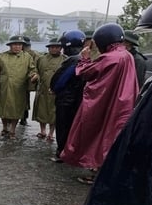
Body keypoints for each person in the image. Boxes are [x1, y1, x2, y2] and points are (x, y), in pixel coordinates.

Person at [74, 0, 152, 205]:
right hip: (124, 110)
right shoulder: (127, 57)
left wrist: (102, 200)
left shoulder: (110, 58)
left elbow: (138, 148)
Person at [59, 23, 139, 184]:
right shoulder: (126, 55)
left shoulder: (110, 58)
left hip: (109, 103)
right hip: (123, 104)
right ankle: (105, 173)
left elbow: (86, 73)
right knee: (112, 137)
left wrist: (85, 59)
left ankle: (98, 172)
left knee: (100, 136)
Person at [0, 35, 38, 140]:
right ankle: (4, 128)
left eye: (20, 45)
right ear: (10, 45)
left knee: (17, 109)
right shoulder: (1, 57)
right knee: (3, 109)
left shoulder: (27, 57)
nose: (17, 47)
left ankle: (12, 130)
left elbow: (32, 70)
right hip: (4, 87)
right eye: (15, 44)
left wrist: (34, 75)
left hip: (19, 88)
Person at [49, 30, 86, 163]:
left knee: (63, 126)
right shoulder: (83, 59)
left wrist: (54, 89)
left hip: (66, 100)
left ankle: (61, 152)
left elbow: (61, 80)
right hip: (76, 99)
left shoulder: (73, 60)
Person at [32, 38, 66, 142]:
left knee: (53, 113)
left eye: (57, 47)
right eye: (52, 47)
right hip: (43, 89)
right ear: (48, 48)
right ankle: (42, 131)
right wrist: (35, 75)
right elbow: (35, 69)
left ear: (60, 48)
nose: (54, 49)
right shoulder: (41, 59)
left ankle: (51, 133)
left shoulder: (65, 59)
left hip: (56, 91)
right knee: (42, 111)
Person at [20, 36, 40, 126]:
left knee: (25, 99)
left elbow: (38, 66)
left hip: (28, 79)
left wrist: (35, 75)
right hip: (16, 79)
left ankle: (23, 118)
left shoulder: (34, 54)